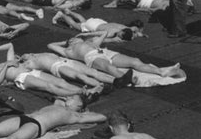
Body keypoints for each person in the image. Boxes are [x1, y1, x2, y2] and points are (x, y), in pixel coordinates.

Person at [0, 43, 103, 108]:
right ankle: (82, 93)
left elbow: (10, 45)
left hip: (30, 72)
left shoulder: (5, 62)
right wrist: (7, 64)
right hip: (22, 78)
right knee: (50, 86)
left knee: (61, 82)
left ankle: (85, 92)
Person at [48, 31, 184, 82]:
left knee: (135, 61)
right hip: (92, 57)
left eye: (73, 38)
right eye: (70, 39)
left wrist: (86, 34)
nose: (73, 38)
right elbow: (50, 45)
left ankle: (161, 71)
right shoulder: (69, 51)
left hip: (104, 52)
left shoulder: (91, 42)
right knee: (108, 67)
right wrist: (65, 42)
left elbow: (104, 32)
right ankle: (125, 78)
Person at [18, 52, 116, 88]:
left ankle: (115, 81)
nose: (26, 54)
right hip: (57, 67)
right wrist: (18, 60)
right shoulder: (29, 63)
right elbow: (20, 65)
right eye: (24, 56)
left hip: (65, 61)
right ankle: (99, 86)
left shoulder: (38, 54)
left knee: (93, 72)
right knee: (80, 76)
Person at [52, 9, 146, 42]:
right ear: (122, 33)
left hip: (100, 22)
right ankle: (62, 15)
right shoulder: (110, 33)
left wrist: (142, 35)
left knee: (84, 20)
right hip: (94, 26)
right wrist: (112, 40)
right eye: (120, 36)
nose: (119, 37)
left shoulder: (125, 27)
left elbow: (135, 29)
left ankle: (70, 12)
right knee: (75, 25)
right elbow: (100, 39)